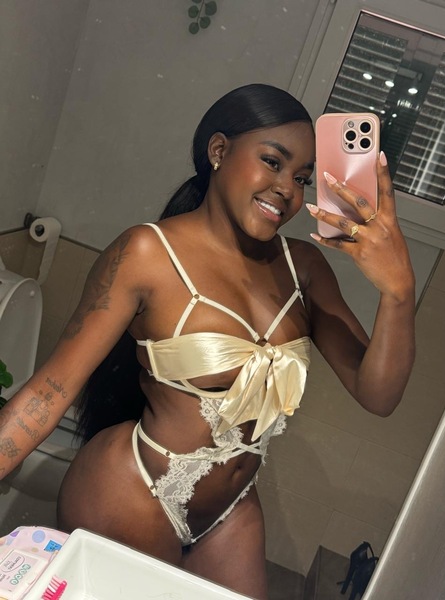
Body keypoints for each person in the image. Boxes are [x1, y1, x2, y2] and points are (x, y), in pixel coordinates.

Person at [0, 83, 415, 599]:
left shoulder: (303, 268)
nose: (287, 189)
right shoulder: (147, 252)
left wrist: (398, 292)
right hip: (132, 489)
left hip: (230, 508)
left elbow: (378, 395)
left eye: (302, 178)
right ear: (219, 151)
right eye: (272, 162)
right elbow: (49, 392)